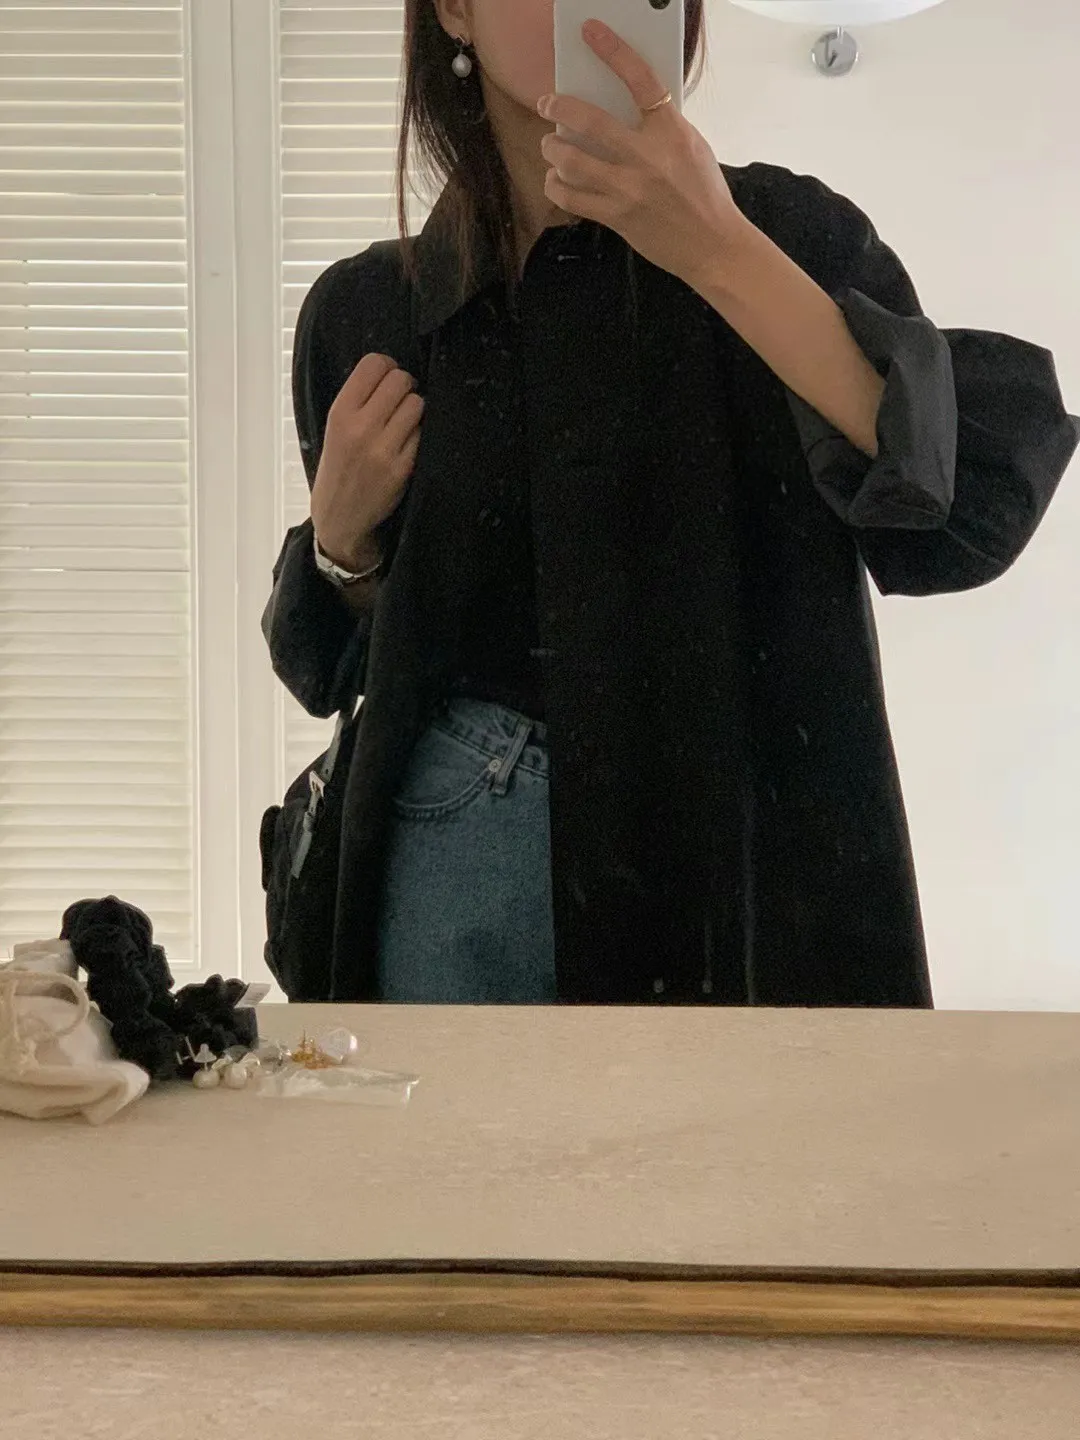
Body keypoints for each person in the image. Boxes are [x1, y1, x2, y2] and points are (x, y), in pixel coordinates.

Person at [262, 0, 1078, 1008]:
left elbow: (966, 509)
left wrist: (718, 250)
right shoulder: (371, 309)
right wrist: (339, 546)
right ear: (456, 10)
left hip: (749, 868)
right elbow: (348, 668)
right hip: (459, 859)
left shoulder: (788, 236)